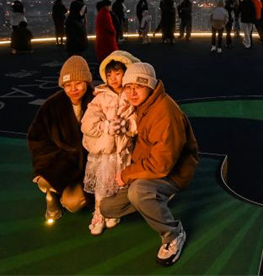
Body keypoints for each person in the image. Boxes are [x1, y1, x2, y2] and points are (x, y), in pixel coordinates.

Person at [99, 63, 199, 267]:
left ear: (151, 87)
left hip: (172, 173)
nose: (132, 92)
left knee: (138, 191)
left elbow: (161, 164)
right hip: (149, 167)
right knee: (108, 208)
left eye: (139, 86)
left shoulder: (164, 112)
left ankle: (173, 233)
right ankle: (156, 200)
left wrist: (127, 174)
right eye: (128, 87)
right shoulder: (143, 106)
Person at [28, 56, 95, 222]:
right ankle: (53, 191)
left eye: (78, 83)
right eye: (68, 85)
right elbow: (37, 138)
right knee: (44, 180)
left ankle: (57, 195)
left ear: (86, 82)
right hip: (62, 162)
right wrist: (49, 162)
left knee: (73, 203)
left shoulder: (98, 101)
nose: (73, 89)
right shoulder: (52, 105)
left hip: (90, 165)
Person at [81, 51, 141, 235]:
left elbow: (137, 122)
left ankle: (112, 211)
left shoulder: (131, 95)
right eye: (109, 74)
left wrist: (125, 126)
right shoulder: (100, 96)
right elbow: (87, 123)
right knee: (102, 184)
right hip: (103, 152)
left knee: (118, 183)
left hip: (122, 151)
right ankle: (99, 213)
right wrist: (106, 126)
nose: (113, 78)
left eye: (117, 73)